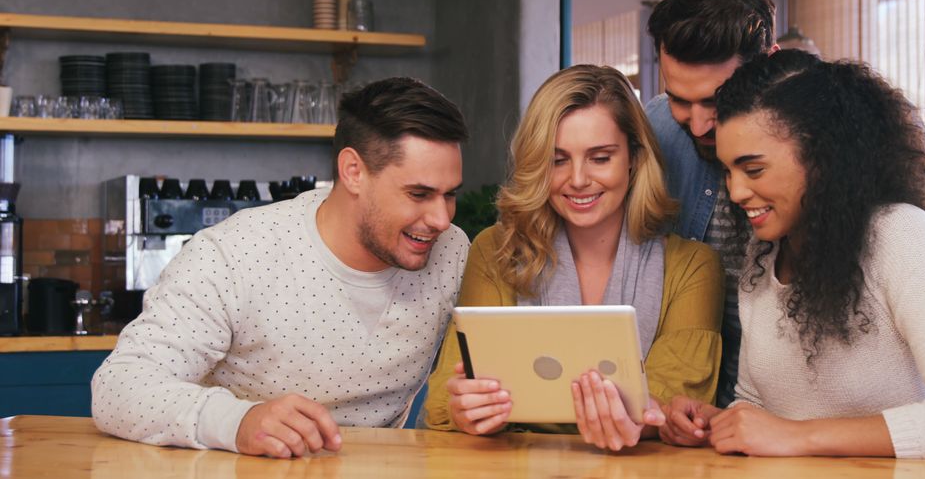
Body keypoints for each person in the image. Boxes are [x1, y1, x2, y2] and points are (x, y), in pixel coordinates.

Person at [646, 0, 925, 457]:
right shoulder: (753, 245)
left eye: (716, 99)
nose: (701, 121)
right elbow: (756, 398)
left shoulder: (893, 217)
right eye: (680, 100)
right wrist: (724, 422)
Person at [92, 77, 471, 458]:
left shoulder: (451, 252)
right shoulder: (234, 253)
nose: (441, 218)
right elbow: (120, 387)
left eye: (450, 194)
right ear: (353, 171)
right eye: (418, 194)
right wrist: (238, 422)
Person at [706, 50, 925, 457]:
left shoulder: (901, 235)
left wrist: (799, 437)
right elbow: (757, 402)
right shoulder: (761, 256)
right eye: (728, 171)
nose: (736, 191)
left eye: (754, 169)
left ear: (822, 157)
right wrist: (721, 422)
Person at [422, 65, 722, 451]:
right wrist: (466, 411)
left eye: (600, 158)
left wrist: (649, 416)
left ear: (633, 157)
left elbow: (672, 405)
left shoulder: (693, 267)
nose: (577, 179)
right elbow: (448, 394)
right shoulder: (496, 250)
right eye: (557, 159)